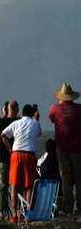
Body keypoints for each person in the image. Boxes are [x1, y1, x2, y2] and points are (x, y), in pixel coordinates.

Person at [1, 104, 42, 223]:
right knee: (28, 186)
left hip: (16, 154)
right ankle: (28, 214)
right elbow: (38, 134)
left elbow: (3, 135)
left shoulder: (16, 123)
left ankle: (14, 214)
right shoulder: (35, 123)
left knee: (14, 184)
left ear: (22, 113)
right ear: (32, 113)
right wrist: (37, 119)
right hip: (30, 155)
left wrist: (9, 149)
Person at [48, 83, 81, 214]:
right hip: (78, 148)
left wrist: (60, 104)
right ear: (72, 97)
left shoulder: (55, 108)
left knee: (65, 178)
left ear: (62, 97)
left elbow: (51, 119)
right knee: (79, 177)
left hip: (62, 148)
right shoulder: (79, 109)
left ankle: (68, 207)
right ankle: (80, 207)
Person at [0, 100, 19, 219]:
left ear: (7, 109)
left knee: (2, 187)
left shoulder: (0, 122)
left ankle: (1, 213)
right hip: (15, 158)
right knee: (16, 185)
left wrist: (3, 115)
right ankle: (17, 211)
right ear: (17, 110)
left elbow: (0, 130)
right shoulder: (19, 122)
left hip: (3, 158)